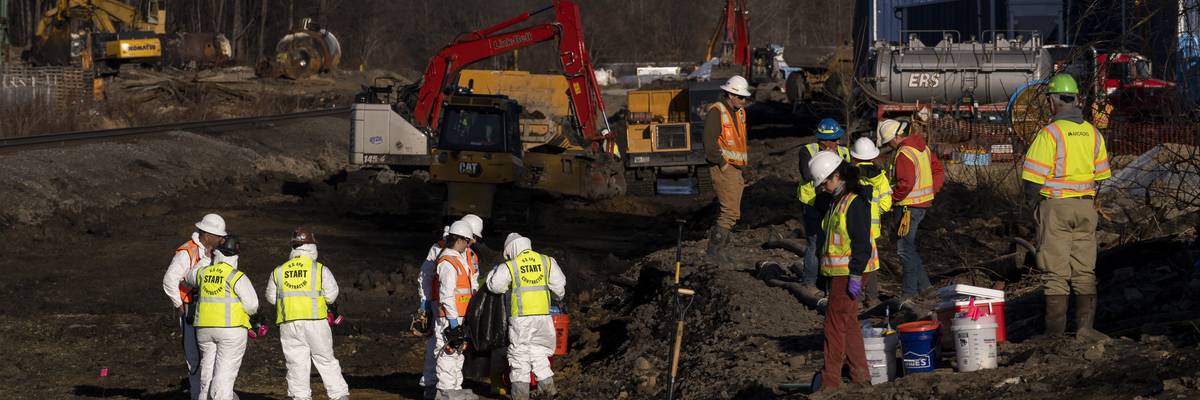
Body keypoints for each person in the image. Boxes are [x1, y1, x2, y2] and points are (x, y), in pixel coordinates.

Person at [1021, 73, 1111, 340]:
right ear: (1075, 99)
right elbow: (1102, 176)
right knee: (1085, 270)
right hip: (1086, 208)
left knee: (1055, 273)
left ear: (1052, 101)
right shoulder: (1093, 134)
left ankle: (1054, 335)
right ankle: (1085, 330)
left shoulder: (1050, 134)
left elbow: (1032, 179)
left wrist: (1034, 208)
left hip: (1056, 208)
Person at [808, 150, 876, 390]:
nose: (823, 187)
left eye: (825, 182)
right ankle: (860, 376)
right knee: (848, 323)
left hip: (848, 272)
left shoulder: (854, 202)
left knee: (834, 325)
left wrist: (856, 274)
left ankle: (830, 383)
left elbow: (861, 243)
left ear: (837, 176)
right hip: (840, 272)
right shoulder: (838, 201)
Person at [265, 226, 350, 400]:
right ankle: (339, 395)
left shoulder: (279, 271)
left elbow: (271, 298)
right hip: (316, 322)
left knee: (296, 364)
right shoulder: (319, 269)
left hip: (289, 323)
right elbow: (332, 296)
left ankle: (300, 397)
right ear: (312, 246)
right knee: (325, 359)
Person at [486, 233, 567, 400]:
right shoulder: (546, 261)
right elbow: (560, 287)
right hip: (544, 318)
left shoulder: (511, 265)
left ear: (511, 249)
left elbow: (495, 287)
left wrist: (491, 278)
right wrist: (556, 298)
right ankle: (549, 392)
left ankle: (520, 396)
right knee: (540, 354)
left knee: (519, 357)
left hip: (521, 319)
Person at [877, 117, 944, 297]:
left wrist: (892, 198)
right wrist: (931, 190)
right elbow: (938, 170)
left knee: (904, 249)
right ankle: (925, 288)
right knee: (909, 248)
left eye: (887, 141)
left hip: (908, 207)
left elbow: (905, 184)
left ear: (893, 137)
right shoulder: (923, 149)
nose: (888, 145)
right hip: (920, 205)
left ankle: (909, 293)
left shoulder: (904, 153)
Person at [162, 213, 227, 399]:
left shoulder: (216, 251)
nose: (222, 240)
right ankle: (197, 394)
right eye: (218, 236)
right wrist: (179, 304)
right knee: (195, 358)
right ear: (207, 235)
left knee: (212, 356)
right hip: (191, 309)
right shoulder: (187, 252)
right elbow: (169, 280)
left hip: (211, 309)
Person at [188, 235, 258, 400]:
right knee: (224, 375)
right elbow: (252, 305)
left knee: (207, 371)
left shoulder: (203, 273)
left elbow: (189, 276)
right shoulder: (236, 276)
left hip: (204, 329)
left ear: (216, 253)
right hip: (231, 330)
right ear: (235, 255)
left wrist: (206, 258)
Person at [702, 75, 751, 264]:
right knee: (729, 211)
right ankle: (714, 252)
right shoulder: (717, 111)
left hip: (735, 167)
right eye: (740, 97)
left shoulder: (739, 112)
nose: (744, 101)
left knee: (733, 212)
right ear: (730, 95)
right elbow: (709, 141)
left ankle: (721, 250)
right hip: (724, 167)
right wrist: (722, 163)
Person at [796, 118, 851, 286]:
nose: (838, 142)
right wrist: (827, 161)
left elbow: (849, 174)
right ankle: (810, 282)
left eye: (838, 139)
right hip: (812, 203)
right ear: (823, 140)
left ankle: (826, 281)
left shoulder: (843, 152)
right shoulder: (808, 151)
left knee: (831, 242)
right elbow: (807, 174)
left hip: (834, 204)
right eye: (834, 140)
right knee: (814, 242)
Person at [432, 221, 480, 400]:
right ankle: (445, 393)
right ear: (459, 239)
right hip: (450, 317)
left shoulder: (458, 258)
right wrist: (452, 323)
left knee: (457, 355)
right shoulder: (448, 262)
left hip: (460, 315)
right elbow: (446, 295)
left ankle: (455, 390)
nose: (468, 245)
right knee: (448, 354)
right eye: (467, 241)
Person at [850, 137, 892, 303]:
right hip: (872, 229)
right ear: (873, 157)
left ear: (855, 157)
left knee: (854, 260)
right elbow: (886, 204)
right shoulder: (881, 178)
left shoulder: (850, 176)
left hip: (852, 226)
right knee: (871, 263)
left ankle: (855, 296)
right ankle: (872, 297)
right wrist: (875, 212)